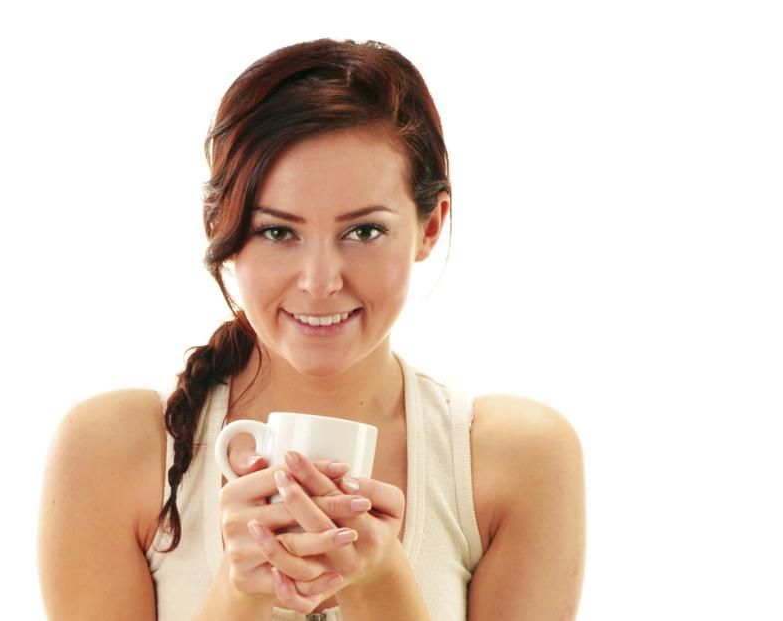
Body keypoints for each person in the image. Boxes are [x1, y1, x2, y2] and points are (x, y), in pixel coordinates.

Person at [37, 38, 586, 620]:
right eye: (278, 232)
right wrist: (240, 593)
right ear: (222, 228)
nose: (320, 282)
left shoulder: (516, 460)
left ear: (430, 226)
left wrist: (381, 582)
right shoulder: (112, 452)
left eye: (364, 231)